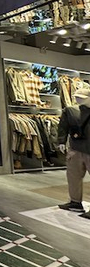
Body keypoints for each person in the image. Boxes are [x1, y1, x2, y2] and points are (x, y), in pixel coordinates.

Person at [58, 88, 90, 218]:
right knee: (73, 177)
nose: (78, 99)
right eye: (77, 97)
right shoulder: (70, 111)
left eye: (82, 97)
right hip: (75, 149)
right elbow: (63, 126)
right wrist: (61, 141)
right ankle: (75, 202)